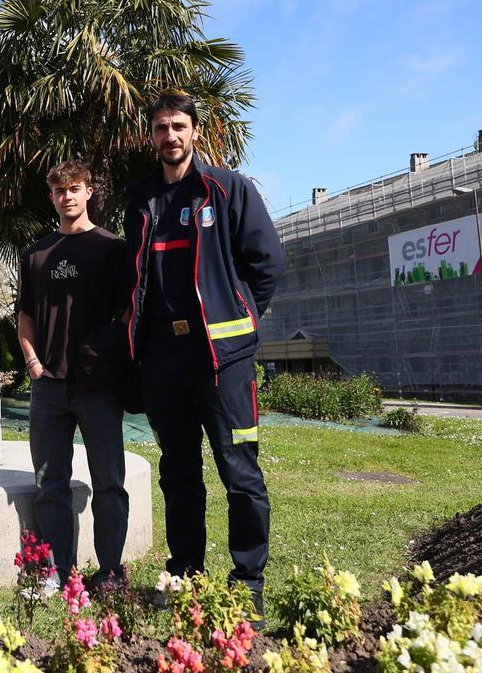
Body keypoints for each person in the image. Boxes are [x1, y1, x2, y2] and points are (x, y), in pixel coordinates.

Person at [123, 92, 283, 623]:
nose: (170, 136)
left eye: (179, 126)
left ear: (195, 131)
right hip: (164, 359)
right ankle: (188, 573)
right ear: (151, 136)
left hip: (223, 358)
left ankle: (248, 583)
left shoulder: (228, 189)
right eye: (161, 128)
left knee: (239, 472)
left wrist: (239, 319)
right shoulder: (140, 199)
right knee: (179, 473)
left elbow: (267, 262)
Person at [17, 160, 132, 592]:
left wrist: (105, 354)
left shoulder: (112, 248)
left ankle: (110, 571)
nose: (67, 196)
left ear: (88, 192)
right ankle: (56, 572)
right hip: (49, 387)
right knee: (50, 483)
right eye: (60, 190)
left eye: (75, 188)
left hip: (98, 387)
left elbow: (128, 311)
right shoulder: (37, 255)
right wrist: (32, 363)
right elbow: (24, 315)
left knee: (108, 482)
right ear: (52, 197)